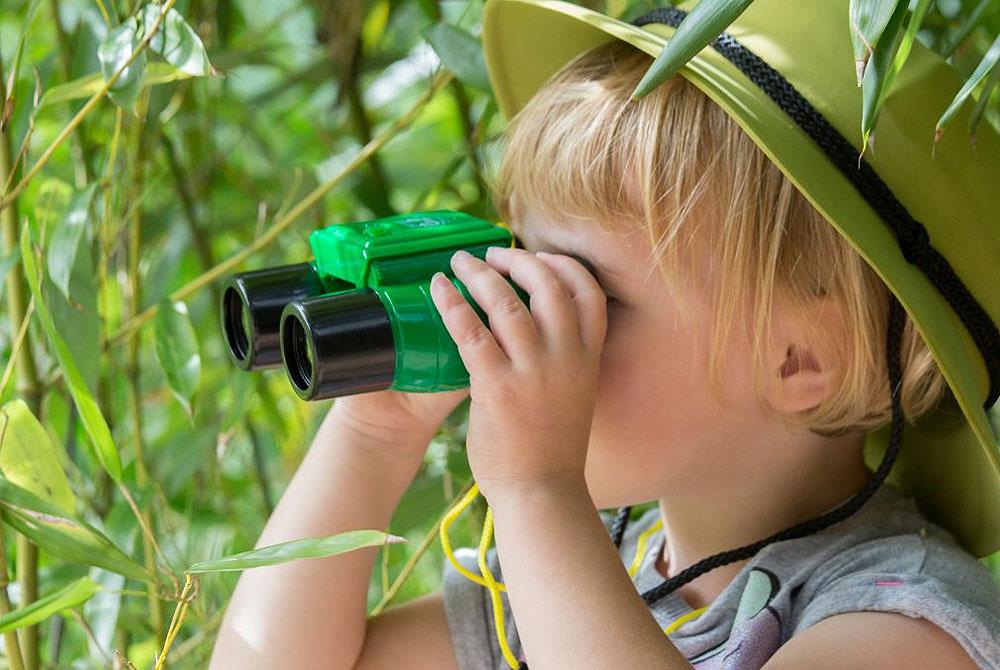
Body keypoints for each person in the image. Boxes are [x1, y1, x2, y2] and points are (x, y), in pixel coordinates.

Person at [209, 0, 1000, 668]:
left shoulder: (905, 621)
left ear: (802, 358)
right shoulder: (598, 563)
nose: (525, 319)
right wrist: (373, 433)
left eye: (587, 296)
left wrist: (534, 491)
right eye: (525, 272)